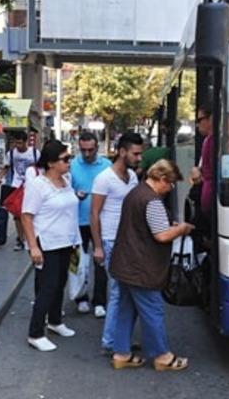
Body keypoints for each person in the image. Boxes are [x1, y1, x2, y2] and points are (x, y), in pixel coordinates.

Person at [109, 159, 194, 371]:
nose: (171, 188)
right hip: (142, 268)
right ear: (162, 179)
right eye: (171, 183)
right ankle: (162, 356)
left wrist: (168, 226)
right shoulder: (152, 201)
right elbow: (162, 236)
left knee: (126, 310)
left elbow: (142, 226)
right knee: (152, 310)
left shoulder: (136, 193)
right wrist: (181, 229)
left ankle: (121, 354)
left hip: (125, 263)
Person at [22, 140, 80, 352]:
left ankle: (55, 321)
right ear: (51, 163)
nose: (69, 163)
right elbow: (27, 216)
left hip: (66, 241)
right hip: (47, 243)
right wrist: (33, 247)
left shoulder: (66, 180)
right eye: (65, 159)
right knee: (47, 288)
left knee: (60, 284)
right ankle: (35, 333)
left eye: (69, 158)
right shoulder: (38, 185)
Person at [90, 132, 143, 353]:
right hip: (111, 241)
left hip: (128, 242)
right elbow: (94, 214)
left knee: (126, 292)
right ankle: (110, 342)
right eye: (135, 153)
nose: (139, 158)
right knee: (119, 292)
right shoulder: (104, 178)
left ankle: (118, 339)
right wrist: (99, 247)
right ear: (122, 152)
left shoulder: (132, 176)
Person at [70, 131, 112, 317]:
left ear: (97, 147)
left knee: (100, 260)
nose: (87, 154)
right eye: (83, 150)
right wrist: (74, 194)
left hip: (101, 221)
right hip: (77, 220)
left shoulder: (107, 166)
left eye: (91, 150)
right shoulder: (72, 165)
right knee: (79, 262)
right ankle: (81, 297)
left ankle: (100, 301)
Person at [4, 130, 38, 251]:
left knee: (30, 212)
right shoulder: (11, 153)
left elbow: (40, 168)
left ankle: (31, 237)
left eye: (20, 143)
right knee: (17, 214)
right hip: (16, 185)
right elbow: (6, 167)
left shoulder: (34, 153)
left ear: (26, 142)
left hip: (31, 186)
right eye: (15, 143)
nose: (17, 146)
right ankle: (20, 238)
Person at [189, 106, 214, 216]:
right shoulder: (208, 140)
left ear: (211, 119)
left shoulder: (213, 140)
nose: (197, 125)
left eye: (199, 120)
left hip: (209, 197)